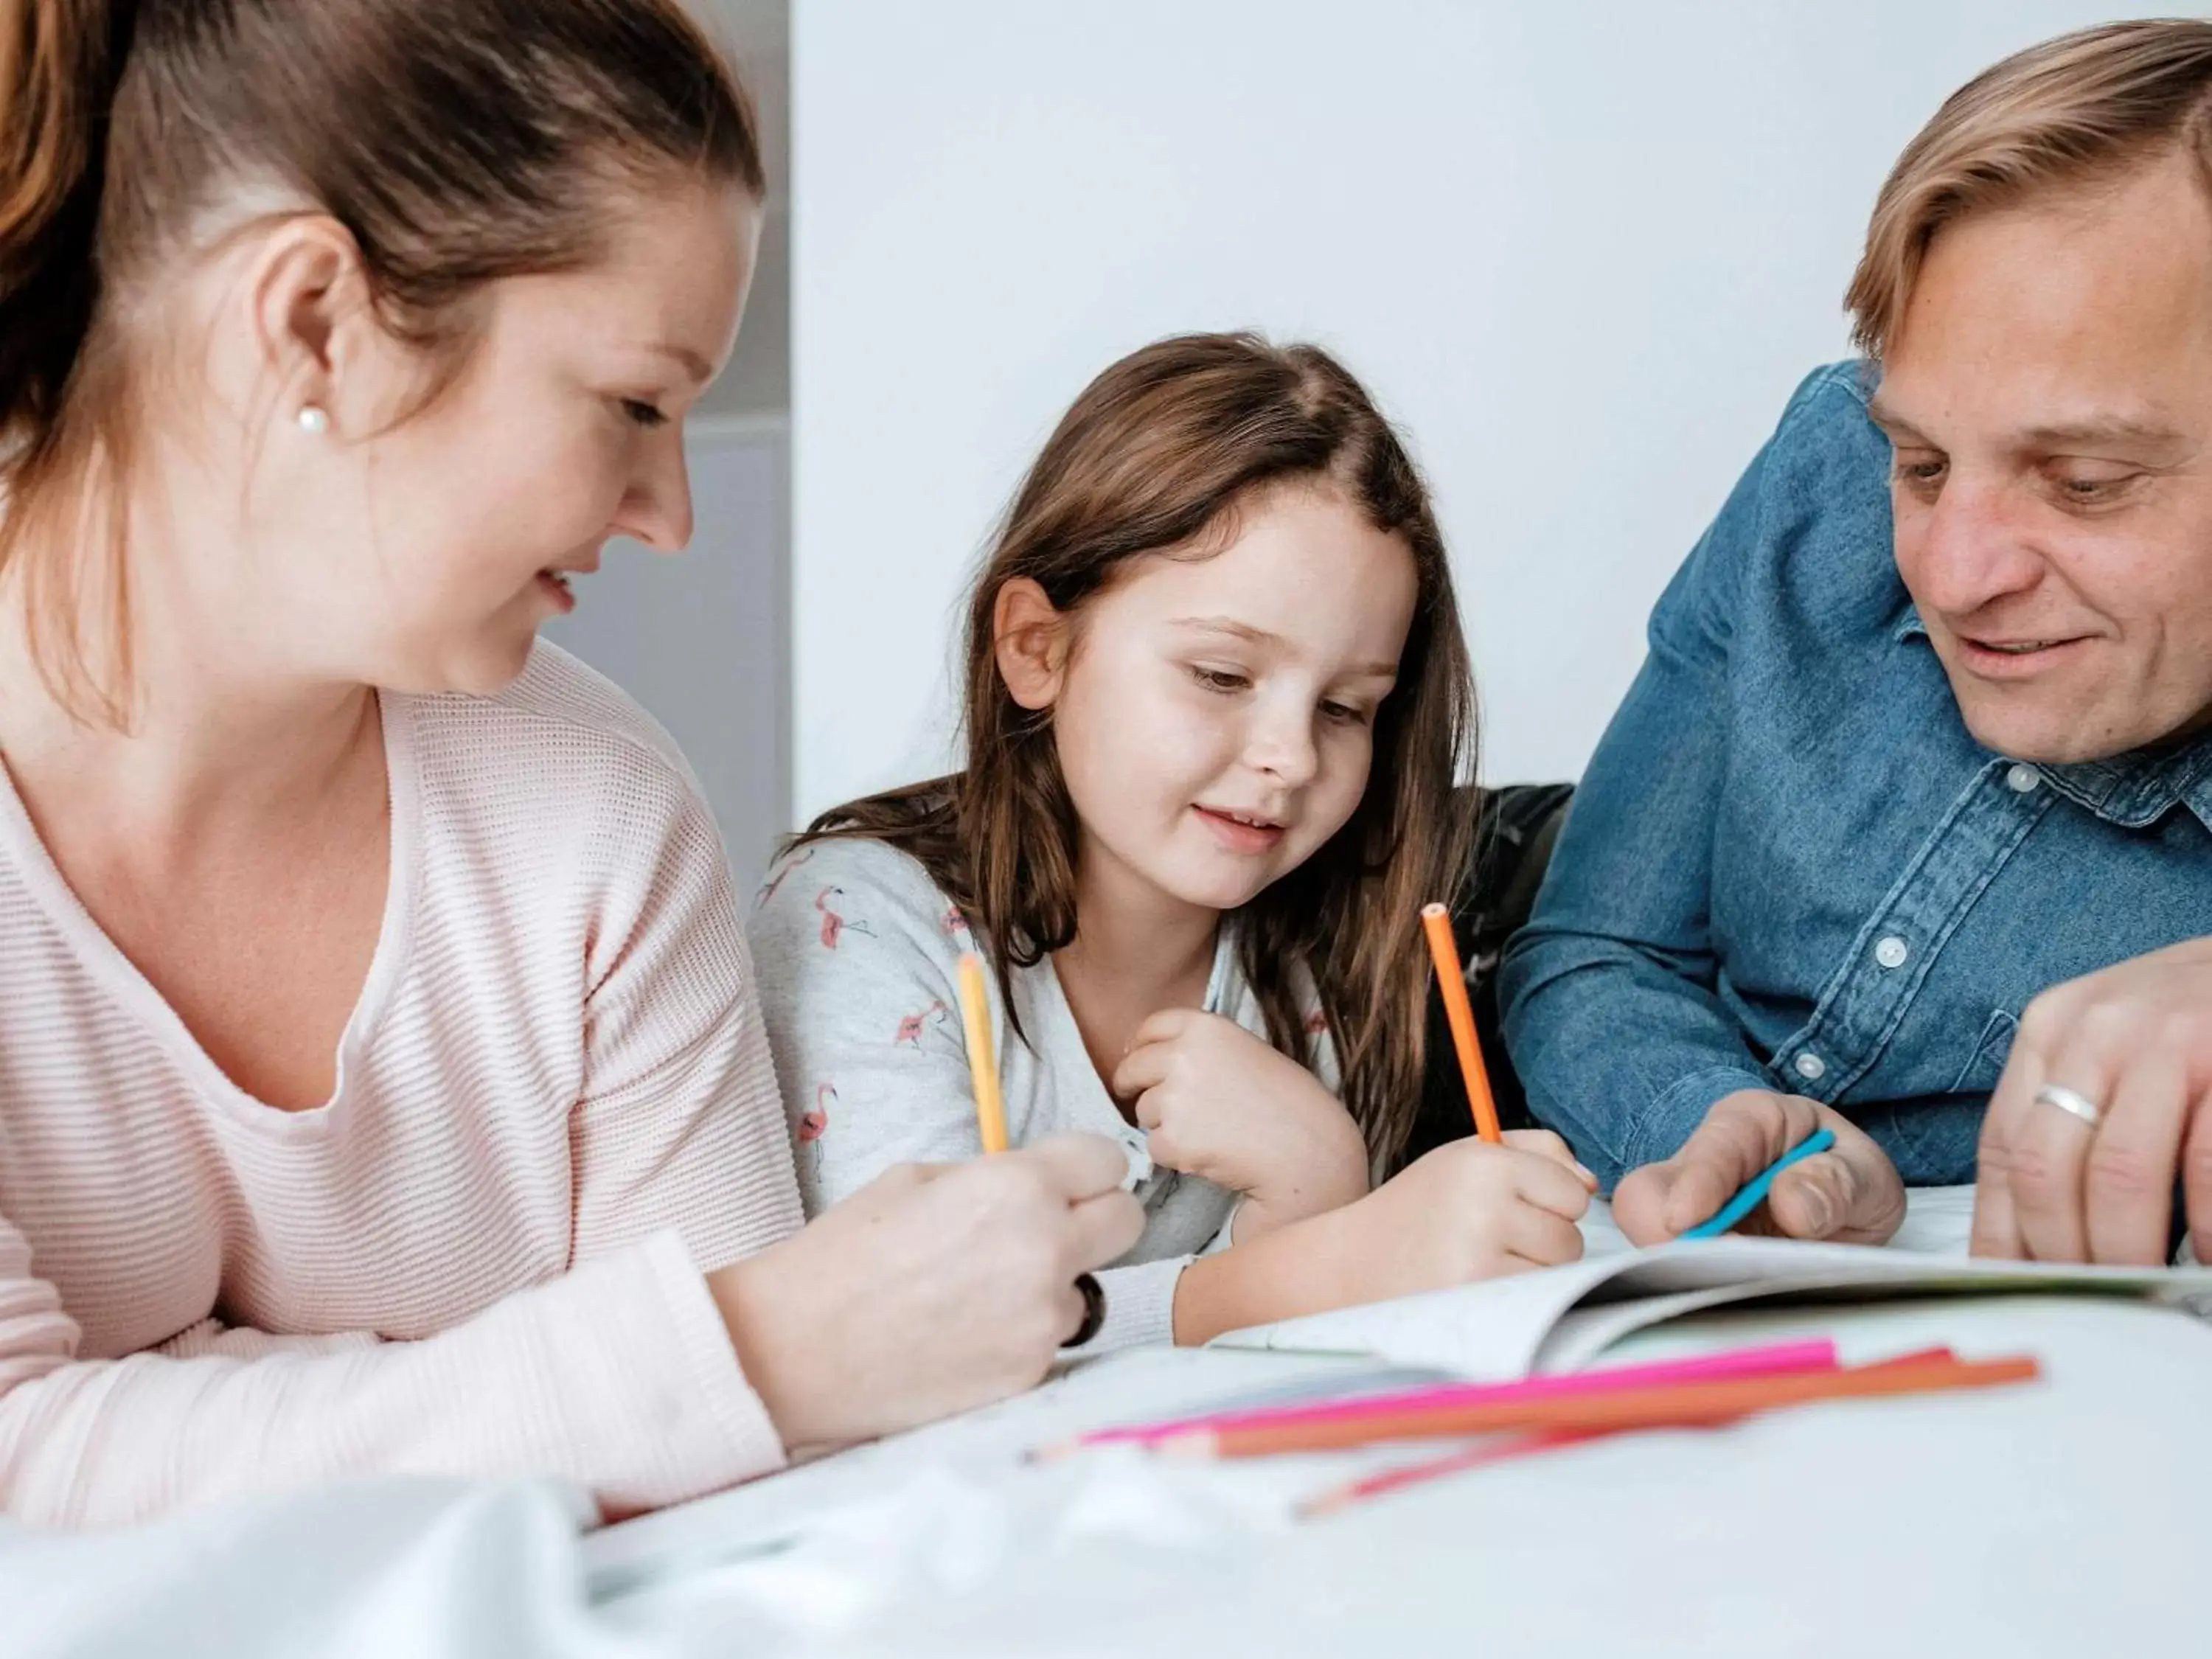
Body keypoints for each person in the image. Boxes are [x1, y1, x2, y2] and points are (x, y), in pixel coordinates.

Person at [0, 0, 1141, 1530]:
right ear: (313, 322)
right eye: (631, 403)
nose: (671, 514)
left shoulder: (597, 816)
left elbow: (740, 1506)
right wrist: (743, 1354)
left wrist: (174, 1410)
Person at [1498, 20, 2212, 1265]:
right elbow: (1598, 944)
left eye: (2086, 480)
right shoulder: (1827, 468)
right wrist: (1715, 1123)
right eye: (1923, 461)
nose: (1949, 571)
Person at [750, 333, 1595, 1352]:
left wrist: (1313, 1187)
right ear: (1038, 646)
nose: (1289, 756)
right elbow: (906, 1344)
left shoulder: (1324, 955)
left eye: (1345, 707)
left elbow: (1301, 1357)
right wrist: (1325, 1214)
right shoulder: (860, 925)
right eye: (1221, 676)